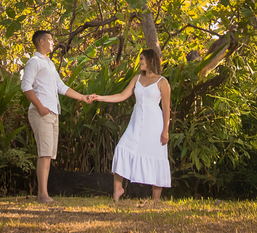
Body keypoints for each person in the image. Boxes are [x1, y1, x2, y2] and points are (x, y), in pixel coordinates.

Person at [20, 29, 94, 203]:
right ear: (41, 42)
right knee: (44, 154)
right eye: (50, 40)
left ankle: (42, 195)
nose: (53, 43)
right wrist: (41, 107)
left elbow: (61, 87)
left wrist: (83, 97)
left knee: (48, 154)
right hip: (41, 112)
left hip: (53, 112)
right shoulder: (34, 62)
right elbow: (26, 86)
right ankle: (43, 195)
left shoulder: (50, 64)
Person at [93, 48, 171, 202]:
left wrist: (165, 131)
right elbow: (122, 95)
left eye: (142, 58)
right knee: (122, 148)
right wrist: (100, 98)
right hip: (136, 124)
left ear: (150, 60)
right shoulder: (137, 78)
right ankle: (118, 190)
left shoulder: (163, 82)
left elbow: (166, 109)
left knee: (156, 157)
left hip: (154, 125)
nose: (140, 61)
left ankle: (156, 199)